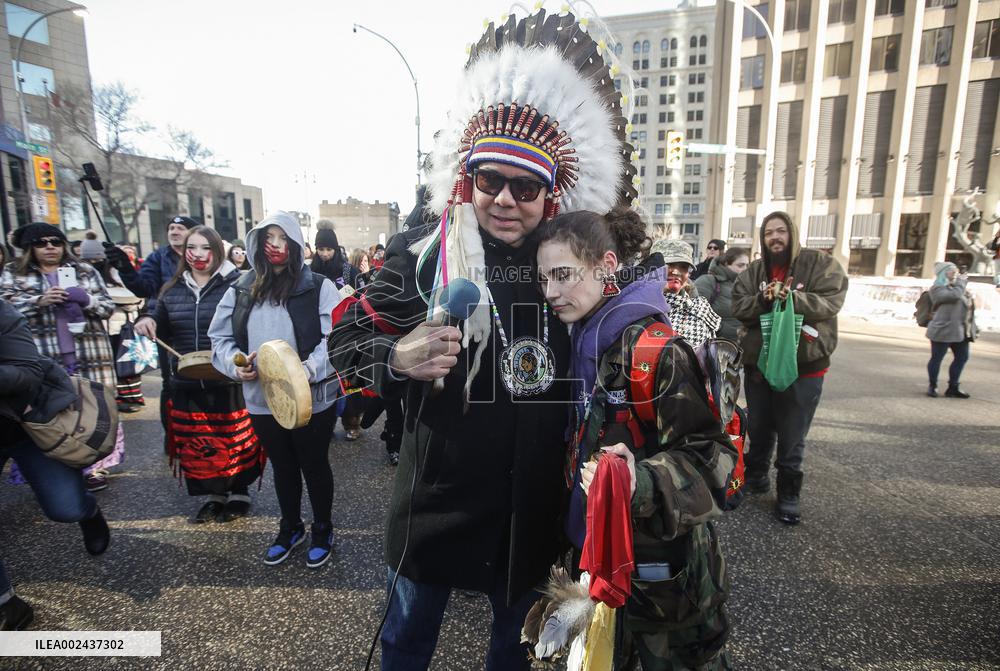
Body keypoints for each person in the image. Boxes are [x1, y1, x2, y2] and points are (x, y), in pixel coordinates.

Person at [328, 8, 638, 668]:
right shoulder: (422, 254)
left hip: (530, 518)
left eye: (525, 185)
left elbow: (628, 345)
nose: (504, 198)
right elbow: (346, 344)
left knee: (513, 654)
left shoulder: (572, 269)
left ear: (550, 195)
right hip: (432, 511)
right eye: (490, 179)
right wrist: (396, 357)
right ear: (467, 178)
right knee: (405, 647)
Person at [536, 207, 735, 669]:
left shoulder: (657, 352)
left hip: (664, 594)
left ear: (607, 267)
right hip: (599, 574)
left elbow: (716, 462)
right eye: (544, 279)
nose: (551, 292)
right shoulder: (581, 343)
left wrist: (639, 482)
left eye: (563, 275)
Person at [209, 212, 340, 567]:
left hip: (314, 399)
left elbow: (336, 340)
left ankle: (323, 528)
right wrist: (237, 363)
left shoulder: (319, 287)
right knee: (283, 465)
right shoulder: (240, 288)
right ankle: (290, 527)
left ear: (297, 244)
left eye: (284, 238)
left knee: (314, 465)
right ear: (257, 243)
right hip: (262, 400)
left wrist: (306, 371)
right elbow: (219, 339)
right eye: (269, 237)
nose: (276, 245)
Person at [135, 226, 262, 522]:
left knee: (234, 438)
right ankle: (214, 494)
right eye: (192, 247)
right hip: (186, 380)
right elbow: (160, 321)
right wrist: (149, 321)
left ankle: (239, 491)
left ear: (217, 250)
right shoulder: (172, 288)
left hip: (227, 377)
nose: (198, 254)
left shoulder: (237, 284)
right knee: (200, 441)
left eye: (206, 247)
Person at [0, 298, 111, 630]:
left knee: (65, 507)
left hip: (25, 425)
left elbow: (28, 374)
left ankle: (88, 511)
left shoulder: (4, 312)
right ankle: (7, 603)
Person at [731, 211, 848, 524]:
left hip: (804, 368)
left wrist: (794, 298)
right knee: (758, 427)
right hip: (759, 367)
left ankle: (788, 494)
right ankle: (755, 477)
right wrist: (764, 298)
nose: (775, 238)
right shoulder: (754, 271)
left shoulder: (820, 264)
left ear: (792, 233)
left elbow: (831, 301)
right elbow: (739, 306)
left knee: (792, 435)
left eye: (781, 231)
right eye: (769, 233)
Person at [0, 223, 124, 493]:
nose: (50, 247)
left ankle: (95, 466)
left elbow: (106, 306)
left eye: (56, 242)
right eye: (42, 243)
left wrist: (86, 300)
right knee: (49, 413)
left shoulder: (84, 270)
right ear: (31, 247)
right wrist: (38, 301)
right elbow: (3, 306)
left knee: (92, 408)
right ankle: (50, 470)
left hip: (88, 352)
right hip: (41, 356)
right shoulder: (14, 272)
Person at [105, 215, 198, 436]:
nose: (174, 232)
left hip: (199, 325)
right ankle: (174, 437)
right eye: (171, 228)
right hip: (167, 327)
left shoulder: (202, 255)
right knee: (171, 382)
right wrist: (125, 267)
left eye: (180, 228)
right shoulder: (158, 257)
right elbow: (143, 288)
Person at [310, 224, 363, 440]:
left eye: (328, 249)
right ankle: (326, 421)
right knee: (324, 380)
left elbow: (362, 298)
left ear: (335, 248)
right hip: (318, 333)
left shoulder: (349, 271)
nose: (324, 254)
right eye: (320, 249)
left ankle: (352, 422)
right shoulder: (309, 273)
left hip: (346, 331)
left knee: (350, 380)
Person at [652, 238, 721, 349]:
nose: (676, 271)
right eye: (669, 264)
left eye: (683, 267)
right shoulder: (638, 306)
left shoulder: (699, 311)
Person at [925, 261, 978, 398]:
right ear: (942, 273)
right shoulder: (937, 288)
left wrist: (973, 327)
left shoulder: (959, 288)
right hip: (942, 330)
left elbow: (968, 308)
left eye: (956, 270)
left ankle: (953, 387)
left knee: (962, 357)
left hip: (960, 331)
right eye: (951, 270)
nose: (955, 273)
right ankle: (933, 385)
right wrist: (961, 282)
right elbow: (953, 296)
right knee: (937, 358)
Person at [695, 246, 750, 342]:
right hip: (718, 345)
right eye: (740, 265)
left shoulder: (749, 285)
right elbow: (696, 312)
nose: (745, 269)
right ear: (726, 264)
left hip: (745, 345)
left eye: (747, 265)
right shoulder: (708, 281)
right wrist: (732, 331)